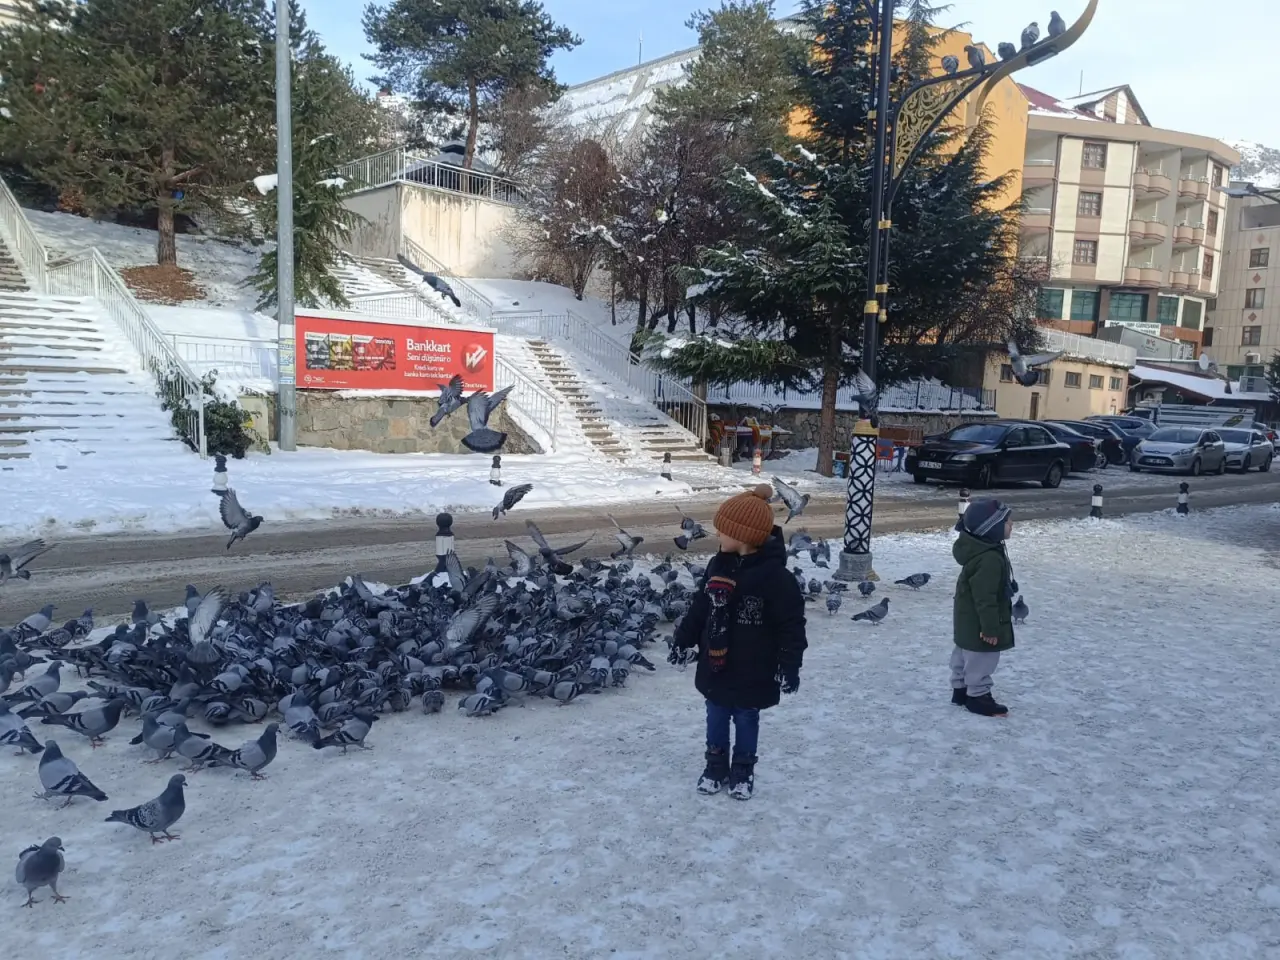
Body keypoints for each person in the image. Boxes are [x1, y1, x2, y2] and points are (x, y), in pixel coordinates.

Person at [670, 484, 807, 800]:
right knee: (716, 714)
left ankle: (743, 769)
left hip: (754, 667)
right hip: (716, 663)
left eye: (724, 530)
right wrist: (683, 639)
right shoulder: (718, 565)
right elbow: (700, 607)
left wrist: (789, 665)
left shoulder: (776, 579)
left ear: (743, 536)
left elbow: (791, 626)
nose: (718, 534)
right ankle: (715, 766)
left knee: (746, 717)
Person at [951, 498, 1018, 717]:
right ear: (992, 528)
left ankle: (960, 690)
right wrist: (990, 628)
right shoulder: (989, 559)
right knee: (982, 657)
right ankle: (978, 697)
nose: (1012, 524)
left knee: (965, 653)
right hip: (980, 622)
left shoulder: (980, 550)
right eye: (1007, 522)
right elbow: (985, 597)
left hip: (967, 618)